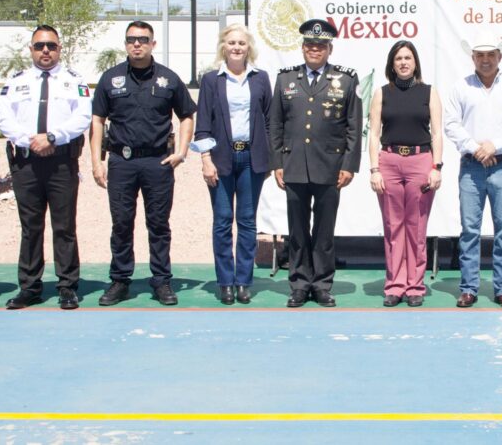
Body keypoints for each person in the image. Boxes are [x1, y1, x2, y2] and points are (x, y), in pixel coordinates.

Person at [90, 21, 196, 306]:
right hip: (121, 162)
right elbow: (98, 120)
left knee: (158, 224)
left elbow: (187, 115)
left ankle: (161, 280)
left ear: (153, 44)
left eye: (143, 39)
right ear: (125, 44)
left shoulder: (168, 79)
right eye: (131, 39)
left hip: (157, 162)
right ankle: (120, 280)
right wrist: (96, 162)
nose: (137, 44)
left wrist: (182, 151)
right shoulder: (110, 78)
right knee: (121, 224)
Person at [268, 18, 362, 308]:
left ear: (329, 49)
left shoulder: (346, 79)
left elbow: (354, 126)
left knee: (324, 231)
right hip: (294, 164)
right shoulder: (285, 79)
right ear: (302, 47)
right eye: (310, 44)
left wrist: (349, 165)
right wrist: (277, 162)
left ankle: (321, 284)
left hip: (330, 167)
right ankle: (299, 284)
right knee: (296, 231)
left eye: (320, 45)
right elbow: (275, 124)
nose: (314, 49)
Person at [0, 25, 91, 310]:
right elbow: (5, 119)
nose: (45, 51)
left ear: (59, 48)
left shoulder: (74, 81)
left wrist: (52, 137)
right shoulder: (16, 82)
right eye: (39, 46)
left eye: (51, 45)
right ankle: (29, 287)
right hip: (26, 162)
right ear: (31, 49)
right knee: (30, 227)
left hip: (61, 162)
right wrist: (31, 140)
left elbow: (82, 117)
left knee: (64, 226)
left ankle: (67, 286)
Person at [444, 29, 502, 309]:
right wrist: (475, 148)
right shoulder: (460, 87)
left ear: (499, 56)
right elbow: (451, 124)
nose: (485, 60)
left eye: (490, 55)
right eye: (480, 55)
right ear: (472, 57)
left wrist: (495, 145)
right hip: (472, 165)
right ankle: (469, 288)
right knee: (470, 229)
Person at [192, 24, 272, 305]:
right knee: (223, 221)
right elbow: (202, 125)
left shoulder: (261, 78)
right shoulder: (211, 80)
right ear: (223, 47)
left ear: (248, 47)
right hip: (221, 159)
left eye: (241, 43)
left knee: (247, 222)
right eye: (232, 43)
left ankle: (243, 282)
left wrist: (269, 159)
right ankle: (225, 281)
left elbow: (269, 121)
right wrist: (206, 160)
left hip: (251, 159)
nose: (237, 47)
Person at [367, 40, 443, 307]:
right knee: (393, 226)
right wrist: (374, 169)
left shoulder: (429, 92)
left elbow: (437, 133)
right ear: (392, 64)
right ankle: (395, 285)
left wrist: (436, 167)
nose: (403, 63)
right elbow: (373, 134)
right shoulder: (381, 93)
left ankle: (415, 286)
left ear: (415, 62)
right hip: (388, 162)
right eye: (398, 58)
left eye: (408, 58)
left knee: (416, 227)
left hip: (420, 161)